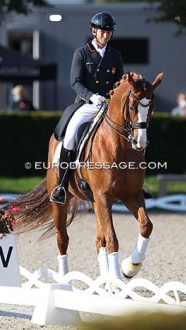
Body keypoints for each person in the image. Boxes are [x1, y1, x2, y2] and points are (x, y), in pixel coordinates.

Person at [50, 12, 152, 204]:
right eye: (102, 32)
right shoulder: (81, 53)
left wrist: (116, 97)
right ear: (93, 31)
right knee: (71, 135)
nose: (105, 35)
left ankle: (138, 183)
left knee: (135, 133)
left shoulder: (116, 56)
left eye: (108, 32)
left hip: (108, 106)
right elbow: (75, 82)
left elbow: (119, 83)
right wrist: (91, 96)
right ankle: (62, 185)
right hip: (87, 104)